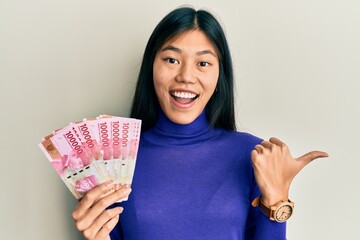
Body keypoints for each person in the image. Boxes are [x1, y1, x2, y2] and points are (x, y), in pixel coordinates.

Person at [72, 6, 328, 240]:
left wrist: (277, 201)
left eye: (203, 63)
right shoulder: (111, 161)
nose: (185, 76)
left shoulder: (254, 156)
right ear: (152, 67)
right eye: (171, 60)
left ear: (220, 75)